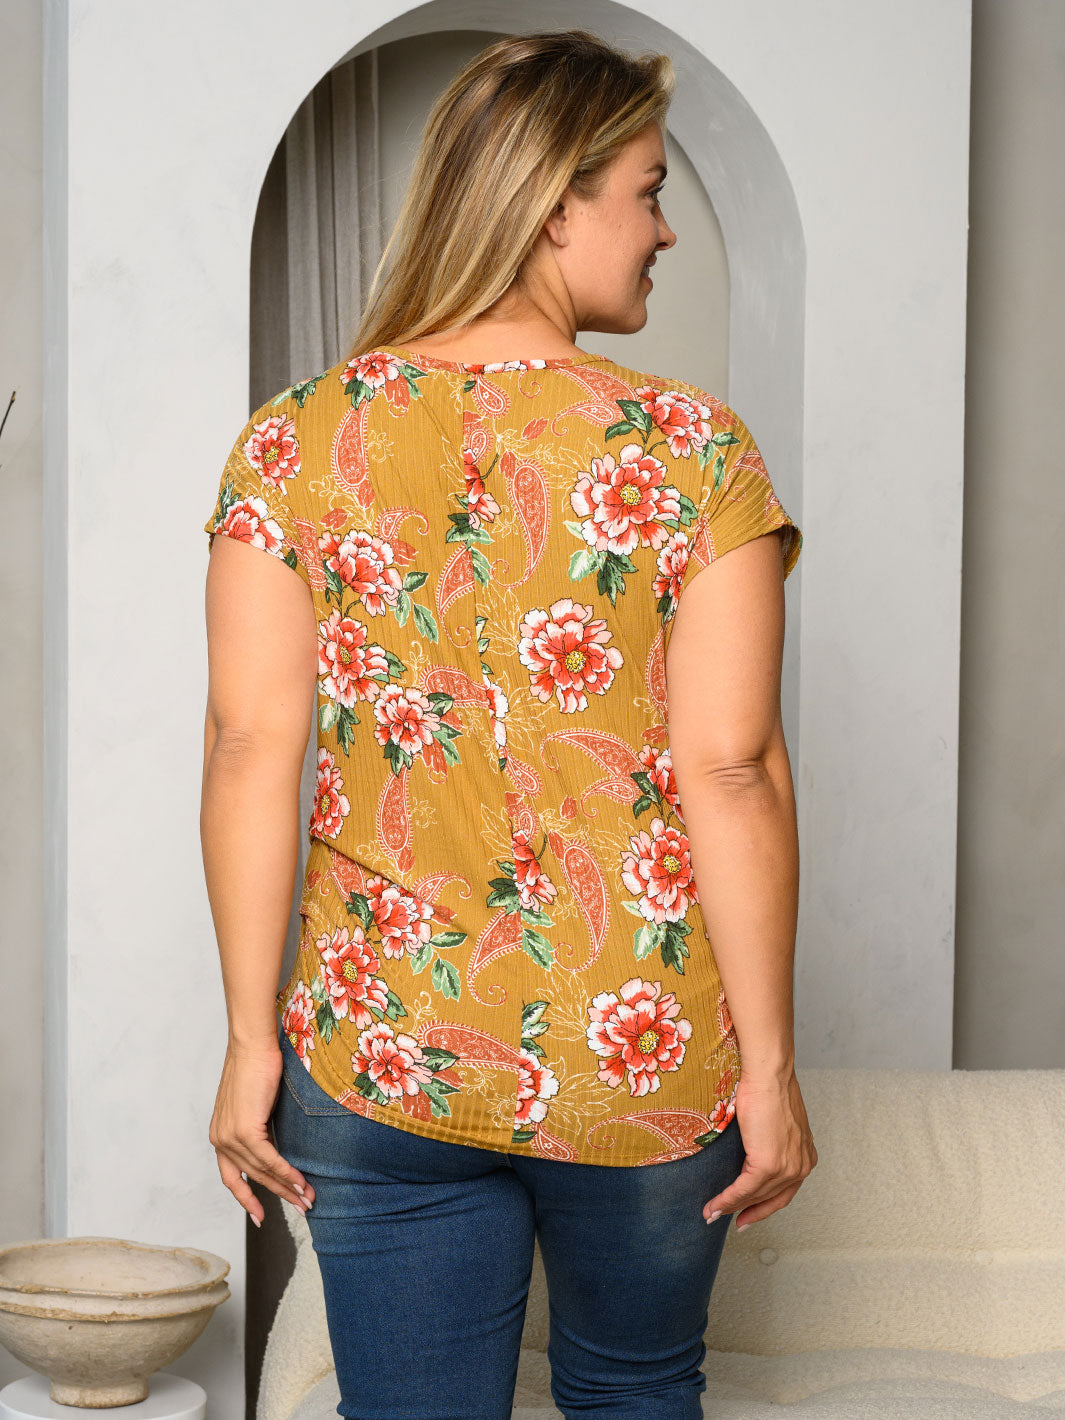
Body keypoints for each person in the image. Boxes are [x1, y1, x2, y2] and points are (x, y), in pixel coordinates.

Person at [201, 27, 817, 1420]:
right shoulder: (691, 451)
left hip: (380, 1051)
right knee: (634, 1392)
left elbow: (248, 746)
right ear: (552, 204)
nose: (663, 231)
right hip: (636, 1054)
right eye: (647, 192)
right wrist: (771, 1070)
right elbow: (731, 768)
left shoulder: (293, 443)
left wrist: (249, 1044)